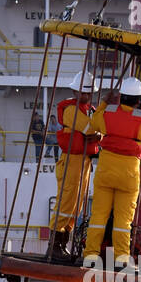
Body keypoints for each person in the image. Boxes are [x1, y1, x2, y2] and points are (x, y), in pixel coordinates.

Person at [83, 76, 141, 264]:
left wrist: (103, 103)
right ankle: (121, 259)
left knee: (98, 216)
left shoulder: (107, 115)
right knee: (123, 222)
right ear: (138, 100)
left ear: (121, 97)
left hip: (106, 171)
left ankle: (90, 256)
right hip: (129, 174)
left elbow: (93, 122)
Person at [49, 73, 101, 258]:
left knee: (77, 205)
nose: (87, 96)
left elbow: (97, 129)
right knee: (66, 202)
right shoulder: (71, 110)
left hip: (84, 162)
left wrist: (99, 135)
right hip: (71, 160)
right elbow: (91, 128)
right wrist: (98, 133)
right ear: (75, 91)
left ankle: (63, 244)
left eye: (89, 93)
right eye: (84, 92)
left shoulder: (89, 110)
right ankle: (54, 245)